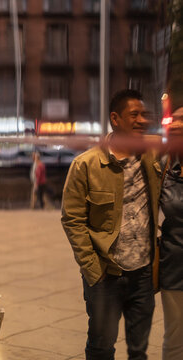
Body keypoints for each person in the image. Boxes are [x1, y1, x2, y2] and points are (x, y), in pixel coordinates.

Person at [61, 89, 160, 360]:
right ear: (115, 119)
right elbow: (72, 219)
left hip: (142, 274)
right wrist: (93, 269)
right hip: (105, 276)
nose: (142, 120)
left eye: (144, 115)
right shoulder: (86, 165)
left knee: (139, 351)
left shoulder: (151, 157)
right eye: (134, 115)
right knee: (101, 349)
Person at [159, 105, 183, 360]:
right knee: (175, 338)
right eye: (174, 120)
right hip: (174, 266)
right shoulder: (166, 169)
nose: (177, 125)